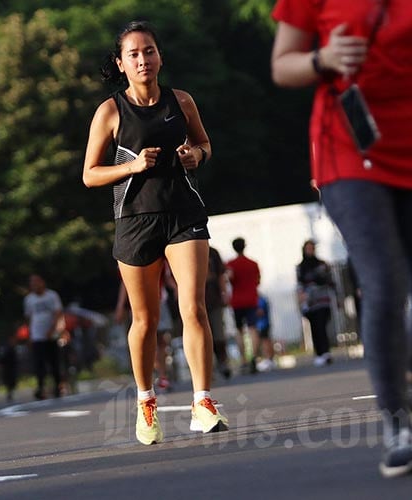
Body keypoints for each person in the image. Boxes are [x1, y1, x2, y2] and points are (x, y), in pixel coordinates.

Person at [271, 0, 412, 477]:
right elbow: (282, 65)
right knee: (384, 282)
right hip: (349, 151)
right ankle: (397, 427)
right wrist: (322, 59)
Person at [82, 21, 228, 445]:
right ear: (121, 63)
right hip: (136, 219)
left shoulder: (181, 101)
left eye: (149, 51)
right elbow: (89, 175)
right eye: (134, 54)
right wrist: (132, 165)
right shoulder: (111, 111)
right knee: (144, 319)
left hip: (184, 213)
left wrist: (194, 155)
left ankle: (203, 402)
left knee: (194, 308)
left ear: (160, 56)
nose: (143, 60)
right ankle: (146, 402)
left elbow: (205, 145)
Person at [24, 274, 64, 400]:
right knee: (39, 363)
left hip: (51, 335)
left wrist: (52, 329)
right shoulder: (29, 299)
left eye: (37, 282)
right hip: (37, 335)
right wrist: (30, 334)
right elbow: (29, 317)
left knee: (54, 362)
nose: (35, 285)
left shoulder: (52, 296)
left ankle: (58, 386)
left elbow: (58, 313)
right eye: (32, 283)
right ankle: (40, 388)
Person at [296, 240, 335, 366]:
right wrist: (301, 297)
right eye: (308, 249)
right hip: (310, 302)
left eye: (312, 248)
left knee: (322, 326)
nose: (310, 251)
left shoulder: (322, 265)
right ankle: (319, 353)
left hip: (322, 300)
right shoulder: (301, 267)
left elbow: (329, 281)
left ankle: (325, 352)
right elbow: (299, 284)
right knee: (314, 328)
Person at [226, 237, 262, 374]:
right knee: (253, 329)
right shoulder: (253, 264)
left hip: (237, 301)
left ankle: (243, 360)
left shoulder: (230, 264)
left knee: (240, 331)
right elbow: (258, 281)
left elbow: (230, 279)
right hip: (252, 299)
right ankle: (254, 357)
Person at [206, 246, 232, 379]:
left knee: (218, 333)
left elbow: (221, 274)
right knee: (203, 336)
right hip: (197, 300)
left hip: (214, 298)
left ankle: (222, 362)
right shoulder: (184, 250)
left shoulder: (213, 252)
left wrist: (224, 292)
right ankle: (207, 369)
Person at [254, 293, 276, 372]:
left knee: (265, 341)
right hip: (262, 323)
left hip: (262, 324)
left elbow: (260, 311)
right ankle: (269, 359)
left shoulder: (259, 300)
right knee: (266, 341)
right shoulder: (261, 298)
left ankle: (269, 359)